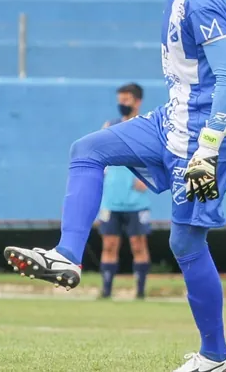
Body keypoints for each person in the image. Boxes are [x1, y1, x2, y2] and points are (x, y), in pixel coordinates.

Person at [4, 0, 226, 370]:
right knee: (87, 150)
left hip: (207, 137)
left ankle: (216, 356)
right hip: (171, 120)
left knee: (185, 241)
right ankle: (68, 256)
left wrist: (209, 147)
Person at [97, 82, 151, 300]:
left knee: (138, 244)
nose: (122, 105)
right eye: (120, 101)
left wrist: (150, 179)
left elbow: (162, 157)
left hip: (136, 200)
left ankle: (140, 291)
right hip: (112, 198)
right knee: (109, 243)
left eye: (126, 101)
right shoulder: (110, 126)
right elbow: (98, 155)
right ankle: (106, 290)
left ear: (137, 101)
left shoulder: (147, 128)